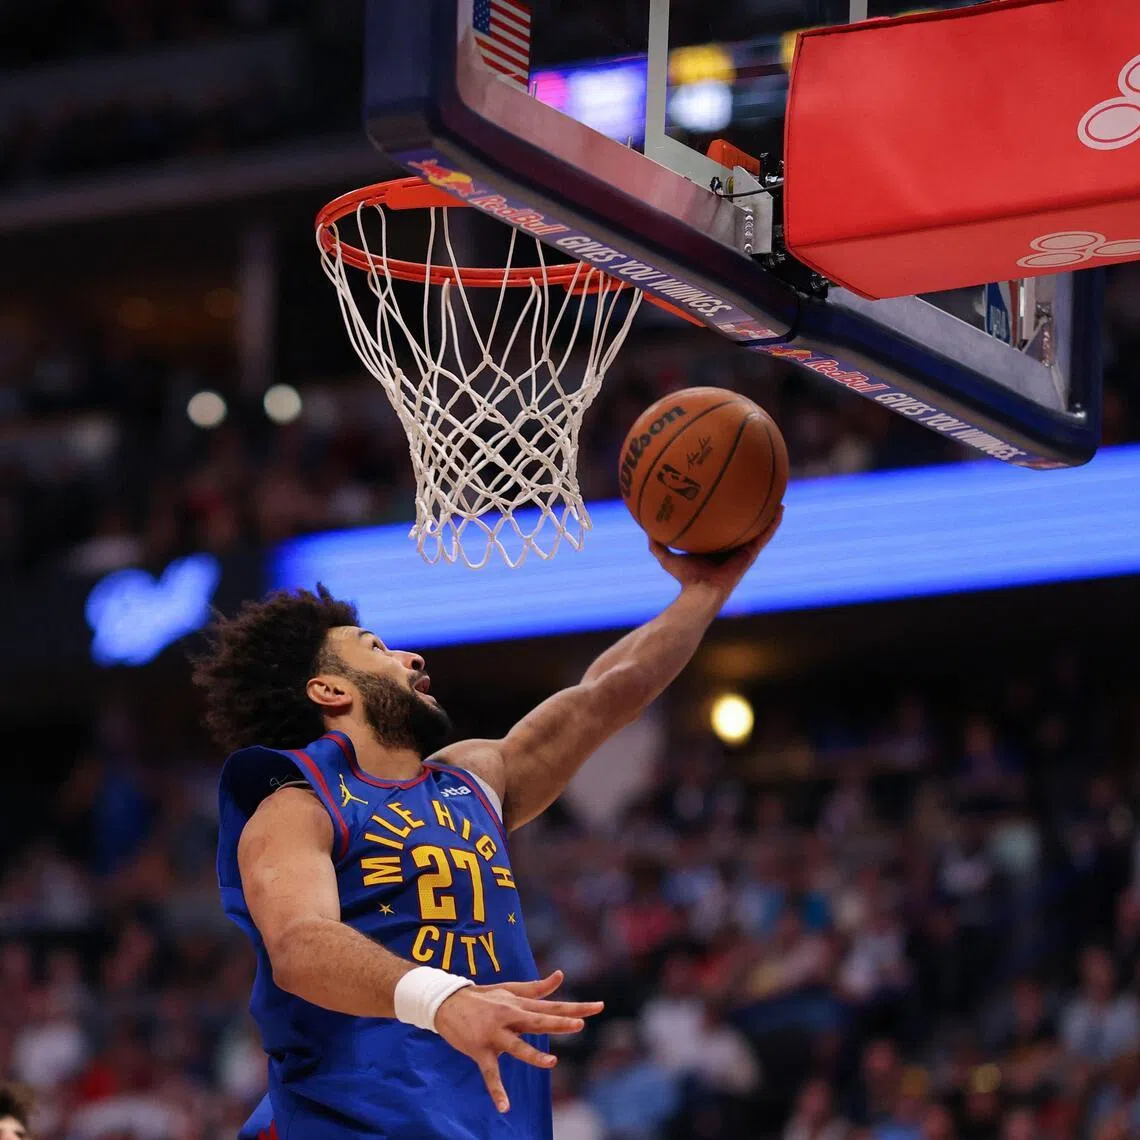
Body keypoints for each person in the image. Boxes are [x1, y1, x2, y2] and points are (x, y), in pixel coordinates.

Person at [193, 520, 780, 1140]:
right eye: (376, 648)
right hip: (355, 1121)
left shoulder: (471, 778)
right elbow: (299, 945)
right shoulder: (295, 805)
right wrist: (441, 998)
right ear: (330, 689)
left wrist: (704, 593)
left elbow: (607, 692)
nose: (411, 658)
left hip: (489, 1119)